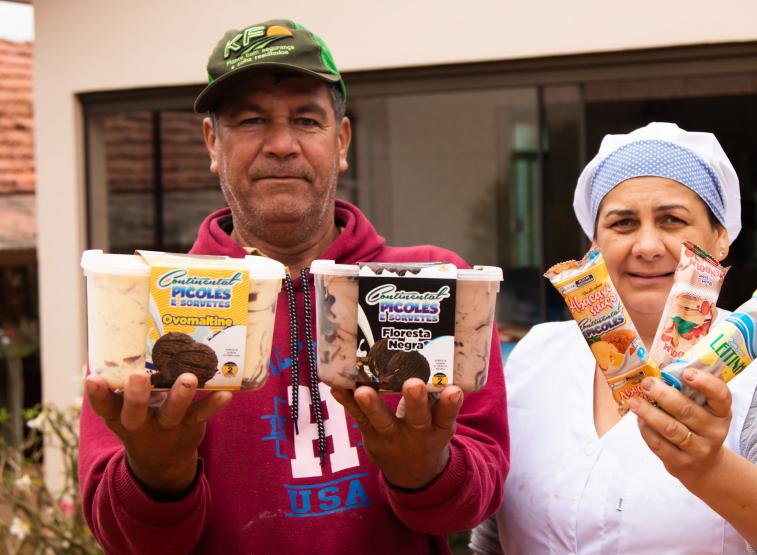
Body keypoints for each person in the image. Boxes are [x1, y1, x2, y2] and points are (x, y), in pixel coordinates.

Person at [79, 19, 508, 554]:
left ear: (342, 139)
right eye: (252, 119)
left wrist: (425, 468)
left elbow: (474, 501)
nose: (281, 145)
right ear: (213, 142)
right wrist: (157, 470)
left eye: (306, 120)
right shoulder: (146, 300)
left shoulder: (434, 285)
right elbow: (125, 536)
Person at [470, 122, 757, 554]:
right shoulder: (536, 355)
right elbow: (493, 534)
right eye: (623, 223)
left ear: (721, 238)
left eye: (672, 220)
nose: (648, 245)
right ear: (594, 242)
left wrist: (708, 467)